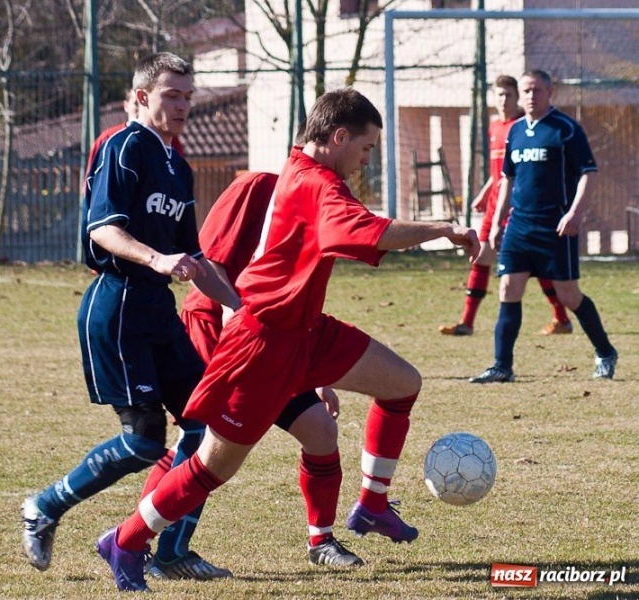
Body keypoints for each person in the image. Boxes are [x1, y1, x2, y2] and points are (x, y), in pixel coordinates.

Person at [95, 87, 480, 592]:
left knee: (402, 382)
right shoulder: (317, 183)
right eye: (365, 149)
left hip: (306, 330)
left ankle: (372, 504)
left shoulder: (307, 176)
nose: (366, 160)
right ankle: (124, 540)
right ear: (338, 136)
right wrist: (444, 229)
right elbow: (370, 233)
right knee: (213, 464)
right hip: (264, 341)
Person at [21, 52, 239, 580]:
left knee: (209, 429)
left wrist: (238, 306)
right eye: (172, 95)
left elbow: (196, 256)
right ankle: (44, 507)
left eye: (189, 96)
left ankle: (169, 552)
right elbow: (103, 229)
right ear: (142, 97)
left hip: (156, 309)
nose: (184, 105)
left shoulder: (178, 165)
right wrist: (156, 257)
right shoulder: (123, 146)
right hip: (115, 303)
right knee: (144, 441)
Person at [149, 170, 364, 574]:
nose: (355, 167)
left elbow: (296, 296)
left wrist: (315, 377)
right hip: (218, 330)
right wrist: (234, 313)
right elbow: (209, 258)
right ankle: (160, 551)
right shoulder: (258, 187)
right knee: (204, 445)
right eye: (360, 150)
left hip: (274, 342)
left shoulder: (322, 203)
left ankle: (321, 541)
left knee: (319, 430)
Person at [470, 69, 618, 383]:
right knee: (508, 288)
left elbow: (588, 173)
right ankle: (502, 366)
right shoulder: (516, 131)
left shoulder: (565, 129)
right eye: (526, 91)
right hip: (519, 226)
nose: (530, 96)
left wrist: (575, 213)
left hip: (556, 227)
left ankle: (605, 351)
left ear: (551, 91)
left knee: (568, 295)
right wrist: (498, 223)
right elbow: (507, 180)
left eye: (537, 90)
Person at [439, 75, 572, 337]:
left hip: (517, 205)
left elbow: (519, 174)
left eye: (508, 95)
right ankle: (467, 323)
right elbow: (499, 172)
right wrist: (483, 193)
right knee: (481, 256)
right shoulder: (494, 127)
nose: (503, 100)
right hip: (494, 204)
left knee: (531, 264)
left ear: (517, 97)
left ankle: (562, 318)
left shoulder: (525, 126)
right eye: (499, 95)